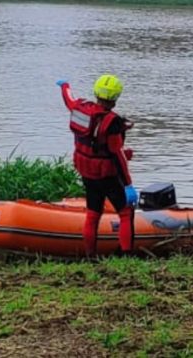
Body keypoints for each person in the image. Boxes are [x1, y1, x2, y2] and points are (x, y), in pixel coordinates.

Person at [57, 74, 138, 258]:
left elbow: (68, 99)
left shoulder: (80, 109)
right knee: (126, 212)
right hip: (107, 175)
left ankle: (90, 256)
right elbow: (116, 155)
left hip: (87, 172)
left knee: (93, 213)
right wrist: (128, 185)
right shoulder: (113, 122)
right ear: (116, 97)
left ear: (96, 92)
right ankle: (126, 255)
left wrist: (64, 86)